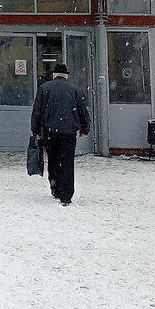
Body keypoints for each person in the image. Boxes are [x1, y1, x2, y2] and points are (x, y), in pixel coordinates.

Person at [31, 63, 90, 206]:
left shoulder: (44, 88)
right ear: (66, 75)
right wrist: (84, 129)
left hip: (51, 132)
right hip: (69, 132)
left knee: (53, 160)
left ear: (53, 74)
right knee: (67, 162)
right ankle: (66, 195)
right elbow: (83, 111)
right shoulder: (75, 90)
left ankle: (55, 188)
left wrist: (36, 131)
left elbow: (37, 112)